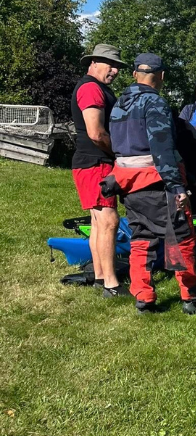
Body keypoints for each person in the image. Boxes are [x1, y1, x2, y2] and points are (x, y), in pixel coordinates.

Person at [108, 53, 196, 315]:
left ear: (134, 74)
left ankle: (144, 298)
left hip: (129, 185)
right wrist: (177, 187)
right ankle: (190, 298)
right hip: (158, 183)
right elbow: (162, 148)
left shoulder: (118, 105)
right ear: (161, 76)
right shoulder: (155, 103)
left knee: (141, 239)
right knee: (181, 239)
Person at [70, 43, 129, 298]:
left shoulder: (98, 87)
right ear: (93, 62)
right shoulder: (91, 88)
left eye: (117, 66)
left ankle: (100, 276)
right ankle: (112, 285)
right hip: (95, 163)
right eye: (110, 65)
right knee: (109, 220)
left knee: (98, 222)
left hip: (92, 162)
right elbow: (96, 133)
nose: (114, 70)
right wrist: (119, 152)